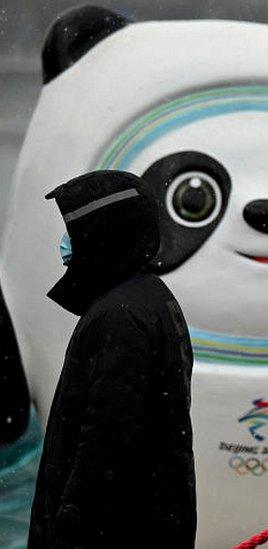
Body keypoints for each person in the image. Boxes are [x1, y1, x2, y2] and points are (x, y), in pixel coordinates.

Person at [29, 171, 196, 548]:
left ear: (101, 233)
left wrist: (69, 526)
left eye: (75, 229)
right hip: (144, 522)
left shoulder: (121, 314)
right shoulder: (146, 298)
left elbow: (107, 438)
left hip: (113, 531)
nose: (66, 243)